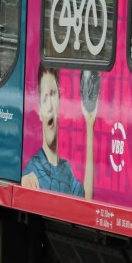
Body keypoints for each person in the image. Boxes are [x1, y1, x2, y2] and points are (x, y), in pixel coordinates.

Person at [21, 66, 96, 200]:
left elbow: (87, 200)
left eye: (53, 94)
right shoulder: (32, 169)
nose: (49, 106)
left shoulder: (66, 168)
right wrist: (22, 179)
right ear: (39, 111)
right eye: (44, 98)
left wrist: (90, 125)